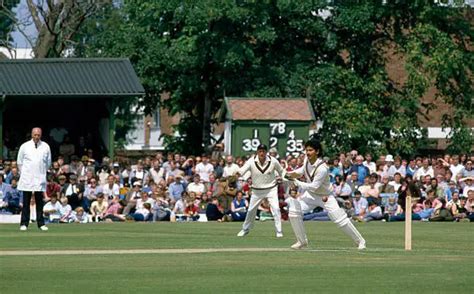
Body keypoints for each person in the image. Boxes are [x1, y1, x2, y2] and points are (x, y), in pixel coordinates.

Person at [285, 136, 366, 250]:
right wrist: (290, 174)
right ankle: (301, 241)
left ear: (317, 151)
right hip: (311, 196)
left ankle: (360, 241)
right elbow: (301, 171)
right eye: (307, 150)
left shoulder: (322, 168)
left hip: (325, 196)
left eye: (310, 150)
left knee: (339, 220)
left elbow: (313, 186)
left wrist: (296, 182)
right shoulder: (306, 161)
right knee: (293, 211)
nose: (307, 153)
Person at [236, 144, 285, 238]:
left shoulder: (273, 161)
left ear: (266, 152)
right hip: (256, 190)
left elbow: (281, 171)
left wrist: (289, 179)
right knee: (251, 210)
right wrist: (236, 175)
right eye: (260, 151)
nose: (262, 153)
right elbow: (242, 170)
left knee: (276, 209)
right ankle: (245, 229)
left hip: (271, 189)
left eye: (263, 151)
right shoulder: (251, 161)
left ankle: (279, 231)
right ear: (257, 152)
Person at [18, 127, 51, 231]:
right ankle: (24, 223)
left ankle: (41, 223)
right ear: (32, 134)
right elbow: (19, 162)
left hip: (39, 178)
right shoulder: (25, 146)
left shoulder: (45, 146)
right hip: (27, 178)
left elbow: (48, 163)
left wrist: (41, 173)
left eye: (38, 135)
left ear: (41, 135)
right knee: (26, 202)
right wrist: (24, 174)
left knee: (39, 202)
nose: (36, 137)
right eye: (35, 135)